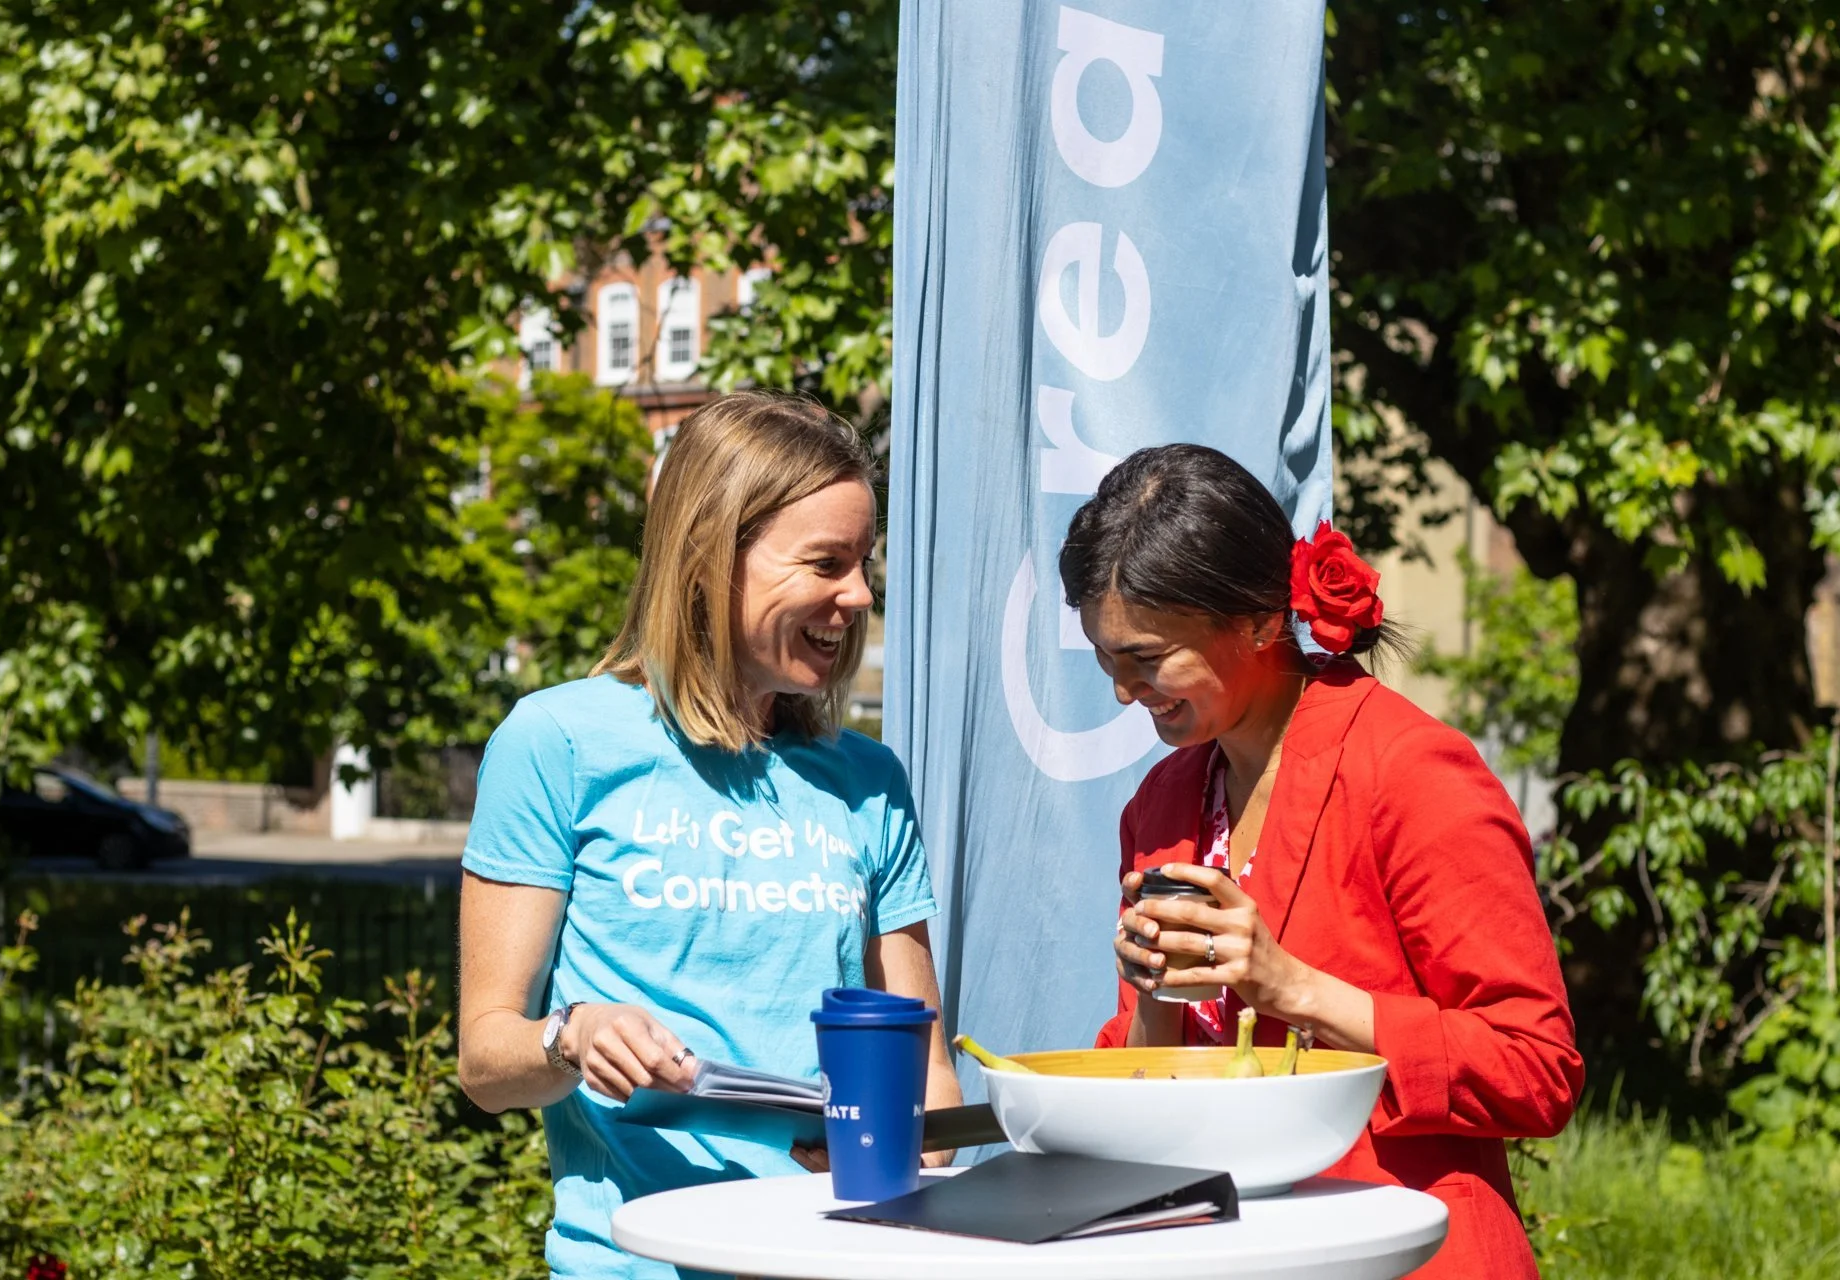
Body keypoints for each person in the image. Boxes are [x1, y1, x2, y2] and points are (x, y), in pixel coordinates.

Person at [457, 391, 961, 1280]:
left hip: (838, 1262)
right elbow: (486, 1062)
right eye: (827, 563)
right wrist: (572, 1035)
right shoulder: (556, 743)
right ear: (709, 557)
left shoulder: (868, 781)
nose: (858, 595)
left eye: (863, 563)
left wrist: (894, 1147)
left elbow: (930, 1089)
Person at [1059, 444, 1582, 1279]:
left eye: (1147, 658)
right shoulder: (1162, 802)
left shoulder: (1412, 773)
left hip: (1402, 1251)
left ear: (1259, 622)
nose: (1124, 690)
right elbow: (1156, 1075)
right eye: (1106, 658)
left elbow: (1535, 1068)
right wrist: (1155, 998)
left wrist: (1295, 989)